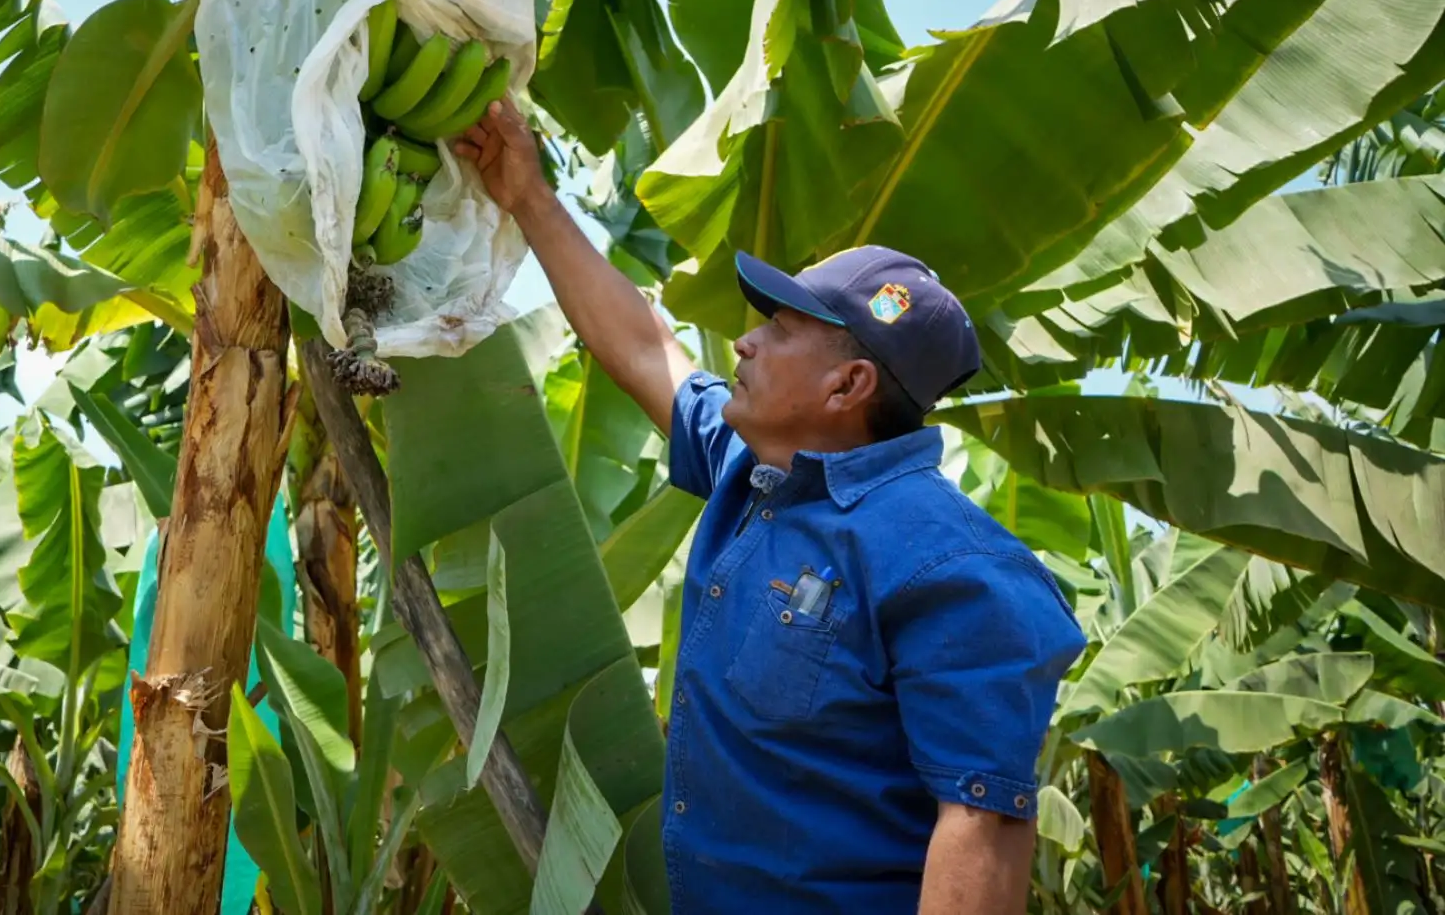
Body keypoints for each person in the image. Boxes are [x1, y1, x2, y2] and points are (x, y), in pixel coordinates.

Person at [454, 99, 1087, 914]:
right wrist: (529, 196)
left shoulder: (954, 565)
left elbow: (982, 827)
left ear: (848, 385)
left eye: (781, 330)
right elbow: (649, 348)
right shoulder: (750, 470)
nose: (745, 342)